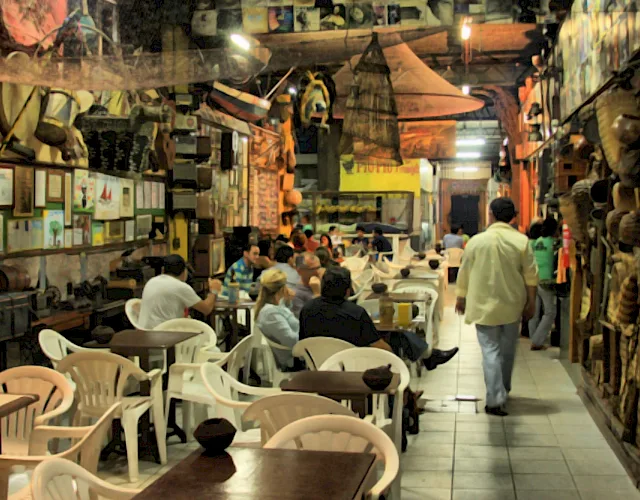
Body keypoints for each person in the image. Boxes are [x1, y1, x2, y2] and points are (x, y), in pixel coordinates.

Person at [455, 198, 539, 416]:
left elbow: (464, 272)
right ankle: (502, 391)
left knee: (490, 351)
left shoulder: (476, 241)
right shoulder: (521, 241)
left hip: (483, 305)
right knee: (508, 352)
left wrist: (461, 297)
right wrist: (531, 302)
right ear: (513, 217)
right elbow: (531, 275)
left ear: (490, 214)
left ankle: (495, 398)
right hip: (512, 305)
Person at [299, 266, 459, 370]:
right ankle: (427, 358)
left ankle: (428, 356)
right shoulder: (355, 313)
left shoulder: (307, 310)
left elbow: (303, 342)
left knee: (397, 336)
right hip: (354, 366)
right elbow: (380, 347)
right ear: (348, 291)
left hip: (318, 365)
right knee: (395, 340)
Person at [138, 255, 222, 329]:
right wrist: (214, 290)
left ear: (163, 270)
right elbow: (206, 309)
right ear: (184, 272)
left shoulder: (151, 281)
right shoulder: (181, 287)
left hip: (144, 333)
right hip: (164, 334)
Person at [254, 269, 298, 370]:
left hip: (295, 354)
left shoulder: (275, 306)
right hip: (291, 359)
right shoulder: (270, 314)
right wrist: (309, 336)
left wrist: (288, 302)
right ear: (282, 288)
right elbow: (291, 340)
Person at [528, 217, 559, 351]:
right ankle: (537, 341)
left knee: (535, 311)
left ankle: (533, 337)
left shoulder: (538, 241)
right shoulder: (554, 243)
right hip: (547, 281)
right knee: (550, 312)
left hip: (535, 278)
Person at [291, 253, 323, 317]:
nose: (317, 272)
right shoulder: (295, 294)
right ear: (299, 271)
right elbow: (305, 320)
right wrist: (317, 294)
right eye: (312, 269)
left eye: (318, 267)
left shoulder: (324, 283)